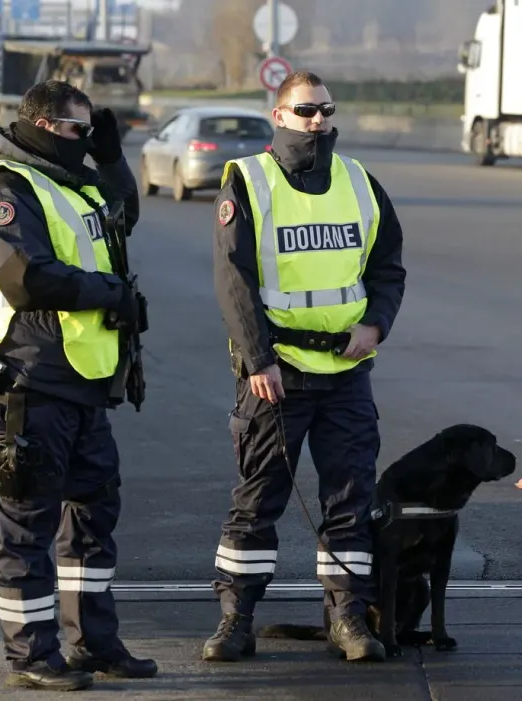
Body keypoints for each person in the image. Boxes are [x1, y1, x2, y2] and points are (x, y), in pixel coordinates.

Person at [0, 79, 157, 691]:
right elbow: (27, 278)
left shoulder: (71, 180)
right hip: (23, 378)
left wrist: (111, 156)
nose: (82, 143)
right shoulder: (0, 189)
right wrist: (112, 294)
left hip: (80, 380)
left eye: (89, 132)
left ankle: (92, 641)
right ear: (40, 125)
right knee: (26, 521)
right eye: (75, 132)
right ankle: (32, 656)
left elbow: (123, 216)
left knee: (94, 512)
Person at [203, 70, 407, 664]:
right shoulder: (247, 181)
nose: (317, 121)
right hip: (278, 374)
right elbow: (233, 279)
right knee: (258, 498)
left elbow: (387, 267)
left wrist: (376, 326)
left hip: (346, 372)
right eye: (304, 111)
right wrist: (257, 358)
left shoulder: (361, 182)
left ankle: (347, 618)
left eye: (324, 110)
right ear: (279, 115)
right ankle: (235, 620)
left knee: (350, 497)